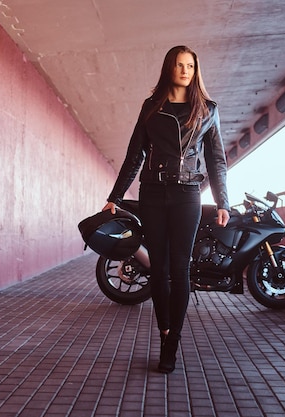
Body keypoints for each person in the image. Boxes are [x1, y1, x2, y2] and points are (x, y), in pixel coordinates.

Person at [102, 45, 230, 374]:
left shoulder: (208, 110)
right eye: (179, 65)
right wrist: (115, 195)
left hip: (188, 194)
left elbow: (217, 161)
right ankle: (164, 333)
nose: (185, 70)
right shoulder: (151, 108)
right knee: (158, 269)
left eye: (190, 65)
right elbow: (135, 156)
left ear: (195, 70)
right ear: (168, 69)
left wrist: (222, 201)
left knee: (180, 268)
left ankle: (173, 342)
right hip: (154, 194)